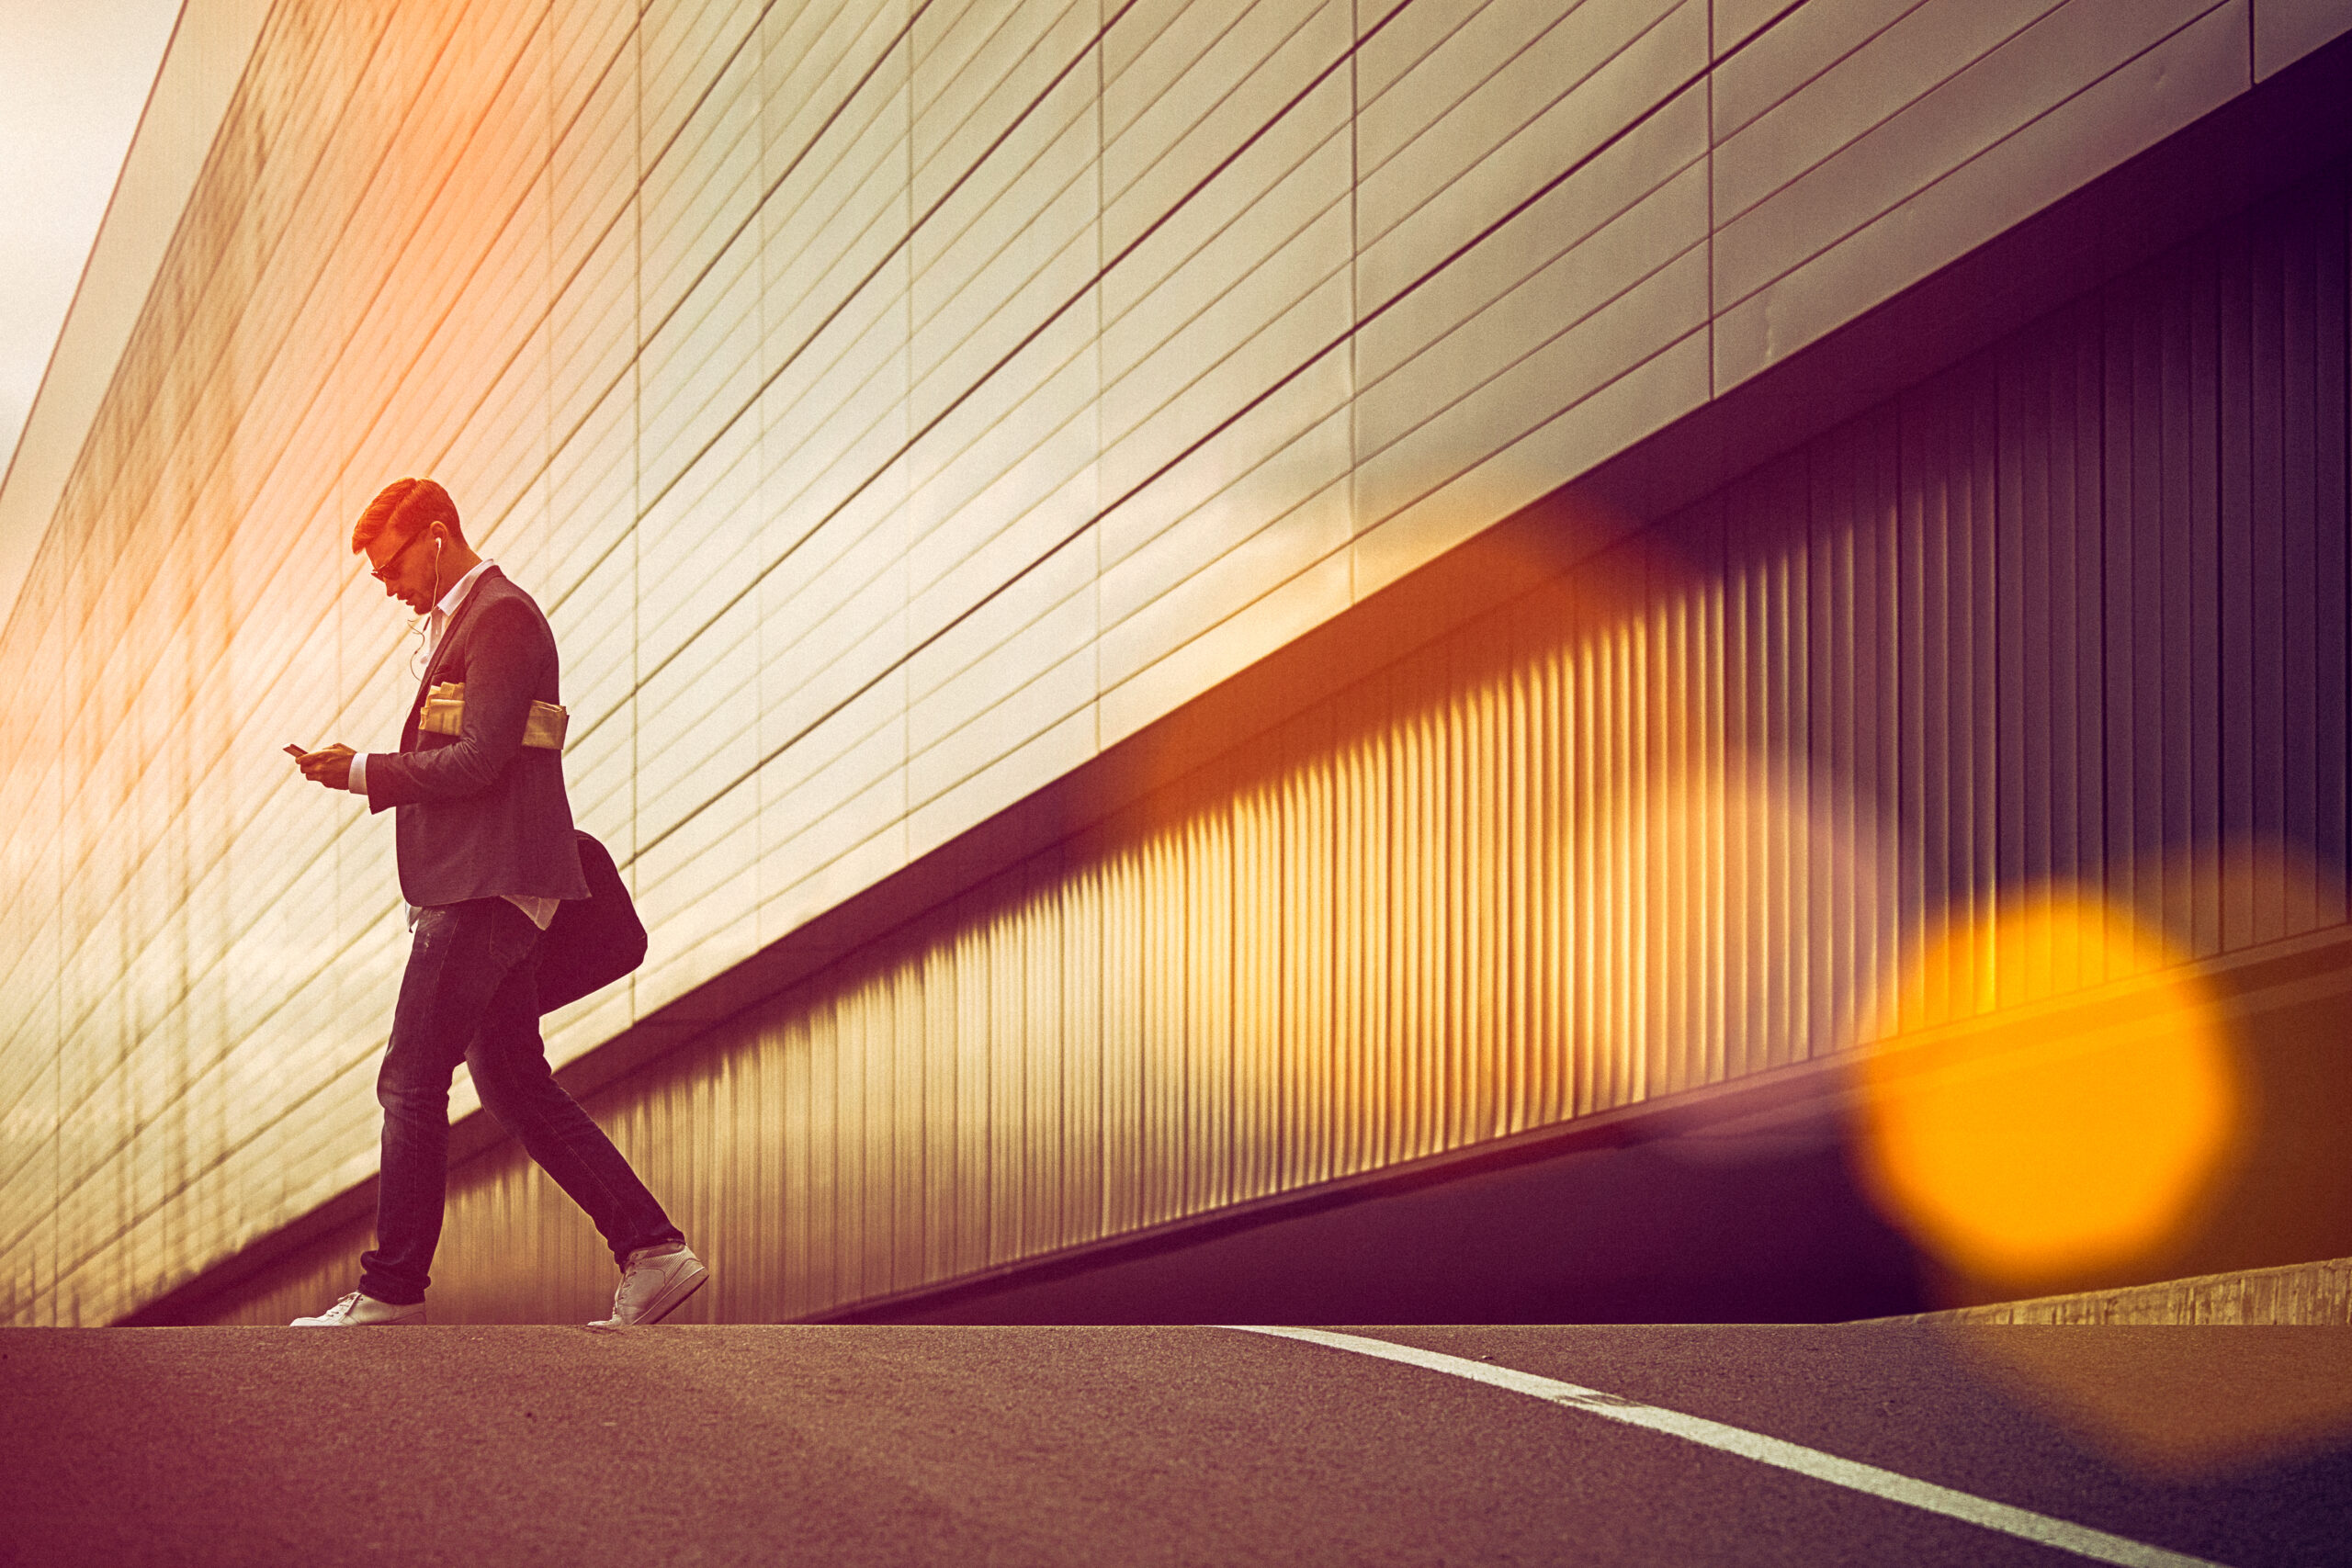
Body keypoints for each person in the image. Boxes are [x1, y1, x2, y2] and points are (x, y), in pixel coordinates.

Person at [288, 477, 707, 1329]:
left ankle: (392, 1286)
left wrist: (363, 769)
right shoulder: (468, 625)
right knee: (510, 1077)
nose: (388, 587)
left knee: (410, 1079)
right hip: (483, 883)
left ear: (437, 536)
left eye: (392, 567)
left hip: (488, 889)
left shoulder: (502, 619)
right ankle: (652, 1249)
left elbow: (480, 761)